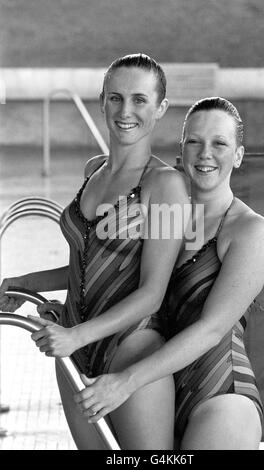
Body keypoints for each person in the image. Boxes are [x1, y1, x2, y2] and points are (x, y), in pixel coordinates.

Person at [0, 53, 191, 450]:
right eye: (116, 98)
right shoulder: (93, 171)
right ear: (102, 101)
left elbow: (152, 292)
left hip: (132, 353)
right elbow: (86, 261)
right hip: (74, 352)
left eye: (140, 99)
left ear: (161, 108)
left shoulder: (167, 186)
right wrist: (25, 283)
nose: (126, 110)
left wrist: (75, 335)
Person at [72, 97, 264, 450]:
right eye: (194, 141)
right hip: (153, 385)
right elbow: (105, 267)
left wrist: (126, 382)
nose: (205, 153)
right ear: (181, 147)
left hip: (217, 393)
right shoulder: (158, 199)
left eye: (220, 143)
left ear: (238, 155)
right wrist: (39, 291)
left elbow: (211, 329)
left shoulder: (250, 231)